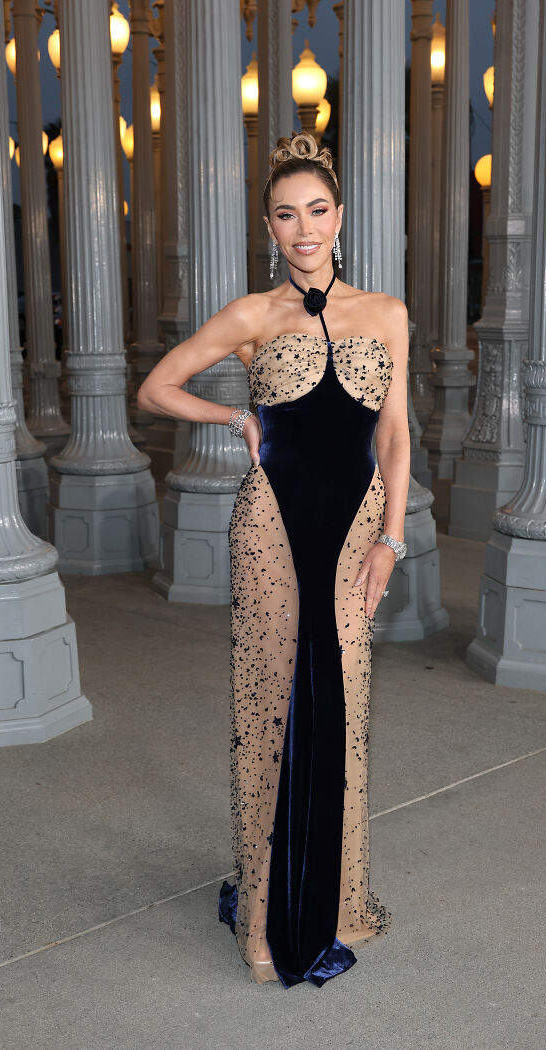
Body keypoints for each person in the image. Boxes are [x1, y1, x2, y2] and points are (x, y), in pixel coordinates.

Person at [137, 132, 411, 988]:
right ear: (269, 226)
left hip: (355, 533)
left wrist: (391, 540)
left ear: (341, 216)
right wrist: (235, 420)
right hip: (270, 533)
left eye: (317, 211)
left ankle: (332, 902)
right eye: (287, 215)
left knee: (342, 710)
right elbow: (156, 387)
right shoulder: (253, 315)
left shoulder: (387, 314)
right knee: (274, 709)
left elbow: (396, 435)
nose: (305, 229)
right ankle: (265, 917)